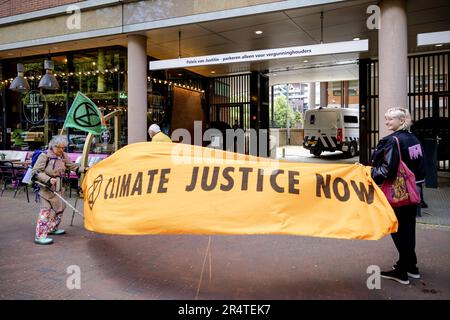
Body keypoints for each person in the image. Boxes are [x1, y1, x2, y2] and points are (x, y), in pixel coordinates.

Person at [370, 107, 426, 285]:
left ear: (402, 120)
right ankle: (412, 267)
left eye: (390, 120)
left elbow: (387, 170)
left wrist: (367, 172)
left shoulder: (392, 140)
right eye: (386, 119)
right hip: (413, 191)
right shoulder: (413, 139)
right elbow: (420, 167)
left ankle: (402, 271)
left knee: (397, 229)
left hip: (397, 193)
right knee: (409, 229)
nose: (386, 122)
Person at [32, 136, 87, 245]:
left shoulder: (63, 155)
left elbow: (72, 166)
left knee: (60, 208)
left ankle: (52, 228)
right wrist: (48, 179)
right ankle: (40, 236)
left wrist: (84, 169)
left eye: (63, 148)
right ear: (53, 146)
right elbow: (36, 171)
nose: (61, 150)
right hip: (45, 188)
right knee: (45, 211)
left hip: (58, 187)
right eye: (59, 148)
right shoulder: (44, 156)